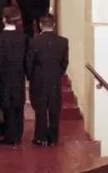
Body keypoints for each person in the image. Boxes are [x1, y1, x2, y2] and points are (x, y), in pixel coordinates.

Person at [26, 14, 69, 146]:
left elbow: (29, 62)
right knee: (54, 107)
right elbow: (65, 62)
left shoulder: (34, 41)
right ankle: (53, 137)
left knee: (40, 108)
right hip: (54, 78)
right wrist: (58, 73)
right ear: (54, 24)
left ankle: (40, 137)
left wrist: (30, 76)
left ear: (40, 25)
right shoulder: (63, 42)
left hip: (38, 78)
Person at [0, 6, 27, 146]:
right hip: (18, 77)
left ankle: (9, 135)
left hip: (3, 77)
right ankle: (18, 135)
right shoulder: (23, 38)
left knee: (7, 107)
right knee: (18, 106)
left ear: (4, 19)